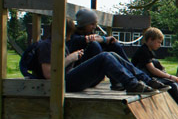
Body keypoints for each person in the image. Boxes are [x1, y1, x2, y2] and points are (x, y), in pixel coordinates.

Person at [28, 19, 163, 94]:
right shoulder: (46, 46)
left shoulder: (59, 44)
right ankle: (131, 84)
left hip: (68, 79)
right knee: (104, 57)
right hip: (62, 83)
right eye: (68, 35)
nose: (68, 39)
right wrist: (70, 58)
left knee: (111, 55)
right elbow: (49, 74)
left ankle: (145, 80)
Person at [67, 8, 132, 68]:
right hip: (81, 68)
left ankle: (134, 72)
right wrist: (104, 39)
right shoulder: (72, 36)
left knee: (114, 45)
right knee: (94, 44)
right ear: (83, 24)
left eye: (95, 24)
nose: (94, 27)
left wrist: (109, 41)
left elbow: (96, 38)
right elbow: (86, 39)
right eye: (92, 24)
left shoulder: (90, 34)